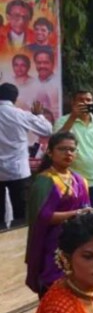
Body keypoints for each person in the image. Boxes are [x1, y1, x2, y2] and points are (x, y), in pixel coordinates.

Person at [24, 132, 91, 296]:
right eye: (62, 149)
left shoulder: (80, 180)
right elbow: (42, 217)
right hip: (53, 247)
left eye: (72, 150)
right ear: (50, 152)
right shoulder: (44, 181)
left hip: (77, 244)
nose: (68, 153)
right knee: (55, 290)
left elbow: (87, 209)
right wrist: (76, 213)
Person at [0, 83, 51, 225]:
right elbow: (47, 130)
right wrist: (39, 115)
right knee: (21, 213)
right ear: (15, 99)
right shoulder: (21, 115)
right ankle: (20, 244)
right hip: (18, 171)